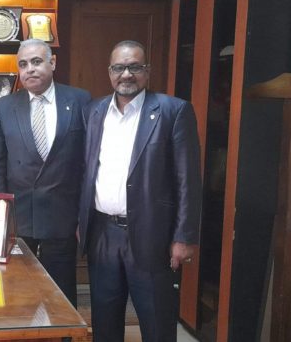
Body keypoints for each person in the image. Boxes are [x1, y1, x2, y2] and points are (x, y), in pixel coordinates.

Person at [78, 40, 202, 342]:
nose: (126, 74)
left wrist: (184, 236)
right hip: (102, 233)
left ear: (147, 71)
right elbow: (86, 170)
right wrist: (81, 222)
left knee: (156, 321)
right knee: (105, 321)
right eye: (119, 67)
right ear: (109, 72)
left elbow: (188, 179)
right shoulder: (93, 111)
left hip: (152, 236)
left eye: (134, 67)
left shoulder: (173, 111)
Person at [0, 39, 91, 307]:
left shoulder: (80, 100)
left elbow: (87, 162)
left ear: (52, 63)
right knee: (19, 295)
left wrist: (84, 215)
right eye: (23, 64)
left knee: (61, 297)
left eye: (36, 62)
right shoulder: (4, 106)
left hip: (62, 217)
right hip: (19, 218)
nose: (29, 69)